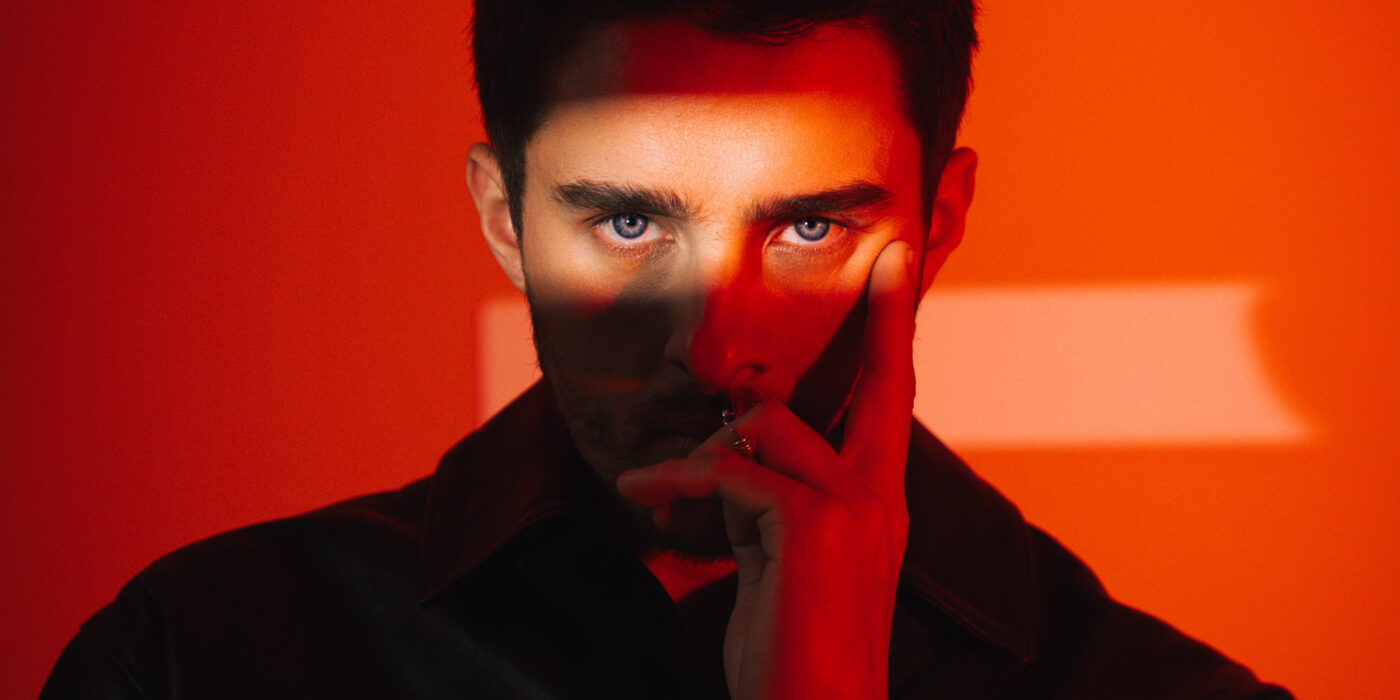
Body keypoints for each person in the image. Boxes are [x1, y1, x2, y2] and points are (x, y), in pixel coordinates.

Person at [42, 1, 1294, 698]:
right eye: (629, 224)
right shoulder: (205, 657)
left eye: (808, 226)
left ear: (939, 223)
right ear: (503, 219)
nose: (712, 343)